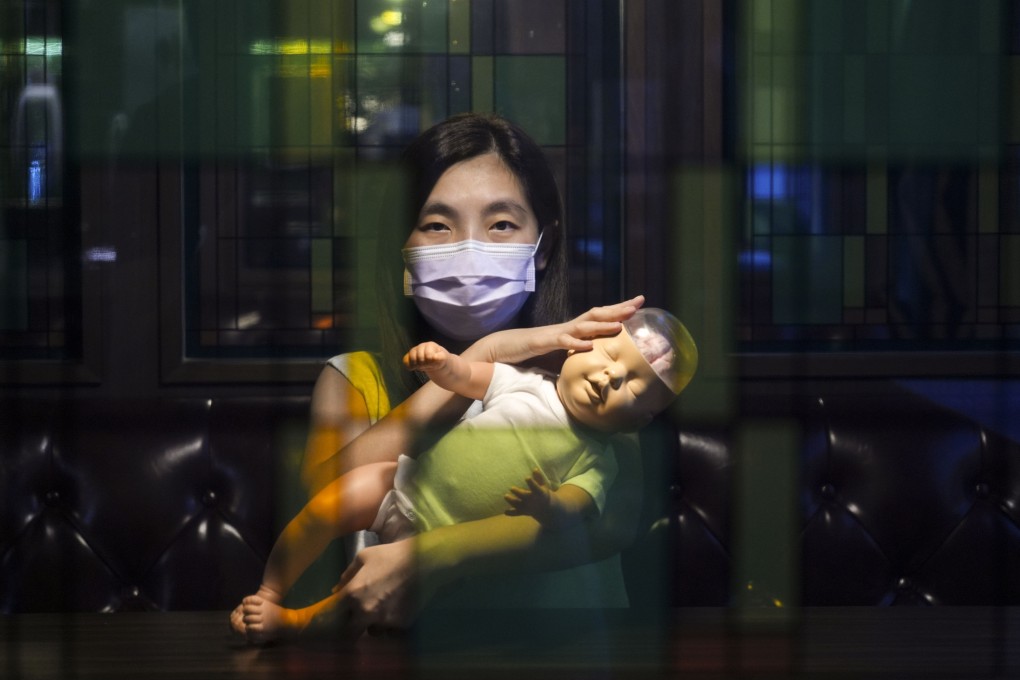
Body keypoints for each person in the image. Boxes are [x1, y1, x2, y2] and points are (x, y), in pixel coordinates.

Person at [291, 112, 651, 635]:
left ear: (543, 247)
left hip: (566, 651)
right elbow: (319, 501)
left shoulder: (598, 370)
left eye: (501, 224)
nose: (469, 247)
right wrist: (481, 360)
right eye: (437, 224)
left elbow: (615, 523)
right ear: (402, 247)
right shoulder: (355, 378)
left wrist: (439, 554)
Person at [233, 309, 697, 644]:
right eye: (610, 354)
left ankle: (297, 623)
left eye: (633, 385)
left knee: (370, 605)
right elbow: (468, 375)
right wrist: (444, 364)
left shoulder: (601, 458)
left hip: (441, 538)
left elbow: (582, 507)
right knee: (330, 505)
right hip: (402, 485)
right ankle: (270, 588)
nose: (608, 376)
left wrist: (547, 506)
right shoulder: (524, 380)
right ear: (578, 345)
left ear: (638, 422)